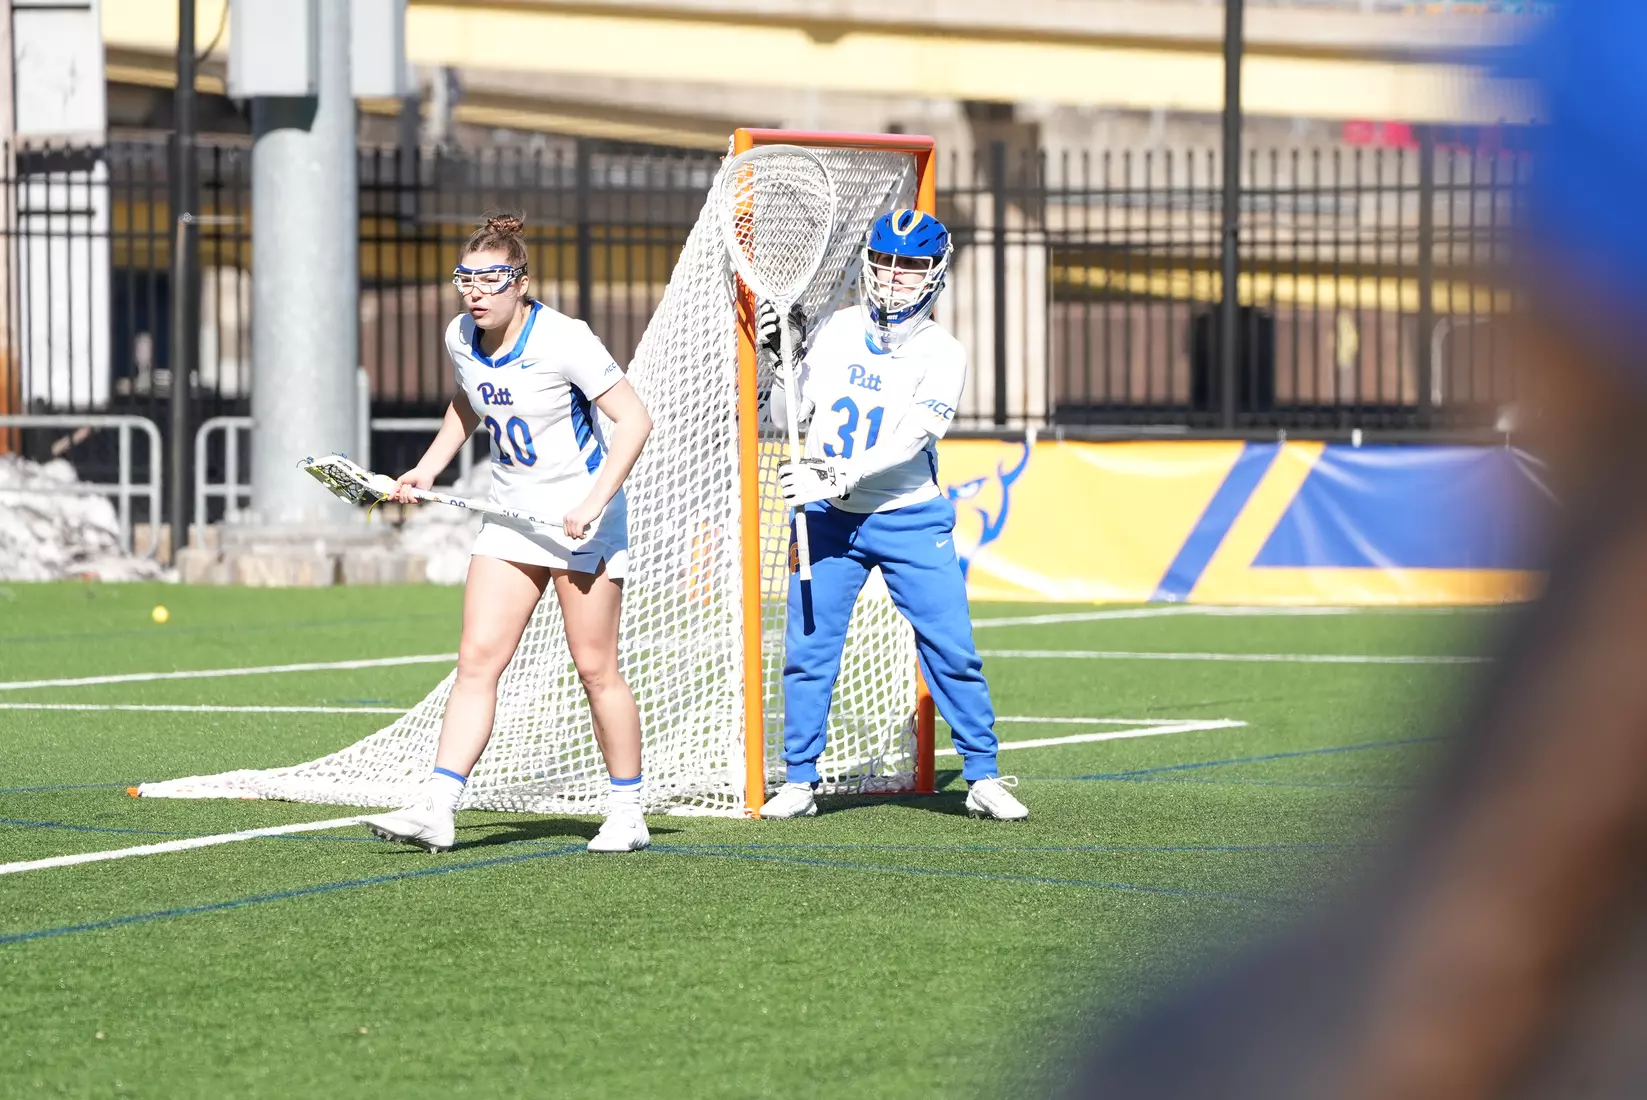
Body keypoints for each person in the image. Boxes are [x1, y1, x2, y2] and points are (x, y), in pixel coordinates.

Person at [361, 212, 654, 854]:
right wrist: (426, 468)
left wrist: (594, 500)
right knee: (477, 661)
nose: (475, 292)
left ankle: (627, 811)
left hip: (584, 519)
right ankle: (438, 806)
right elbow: (470, 400)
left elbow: (635, 421)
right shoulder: (460, 336)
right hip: (510, 518)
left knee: (595, 667)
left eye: (491, 280)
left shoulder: (565, 339)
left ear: (521, 283)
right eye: (466, 278)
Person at [757, 209, 1027, 821]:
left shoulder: (944, 352)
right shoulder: (834, 329)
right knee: (809, 647)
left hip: (907, 515)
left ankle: (982, 773)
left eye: (910, 267)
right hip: (827, 516)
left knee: (950, 646)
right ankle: (800, 779)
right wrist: (780, 364)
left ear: (934, 275)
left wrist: (836, 472)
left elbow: (910, 438)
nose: (894, 278)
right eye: (885, 264)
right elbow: (784, 418)